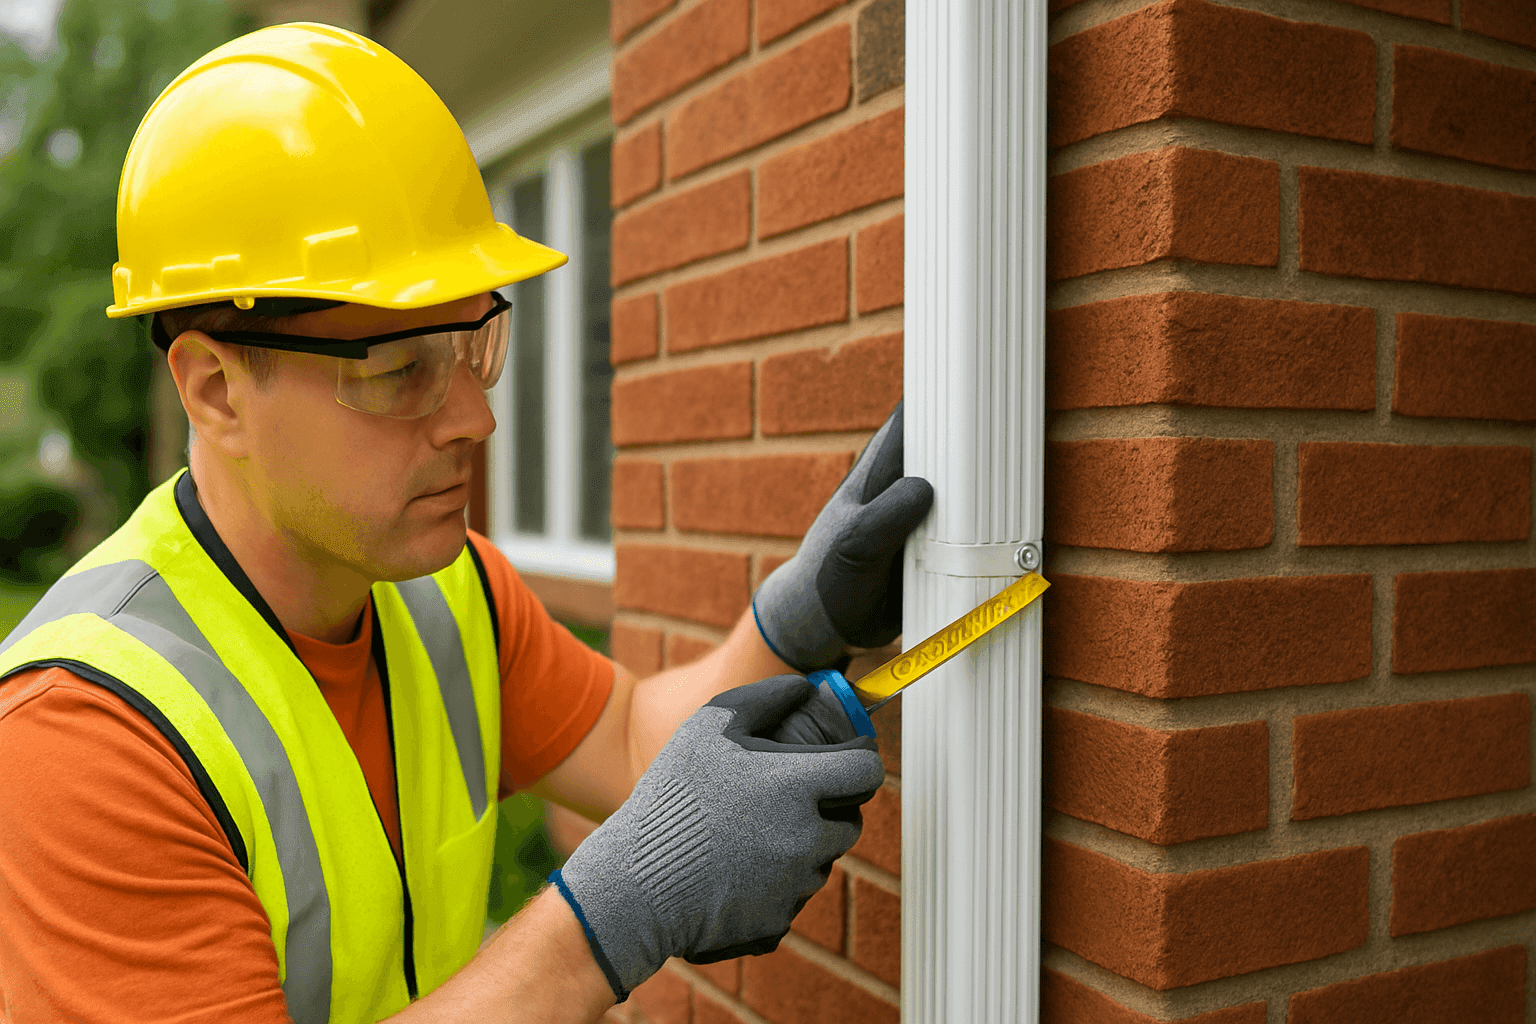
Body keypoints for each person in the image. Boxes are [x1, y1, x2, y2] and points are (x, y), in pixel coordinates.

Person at [0, 23, 933, 1024]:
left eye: (472, 346)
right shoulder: (83, 733)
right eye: (402, 371)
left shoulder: (447, 593)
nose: (475, 419)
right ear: (217, 389)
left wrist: (796, 621)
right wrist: (602, 925)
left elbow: (626, 740)